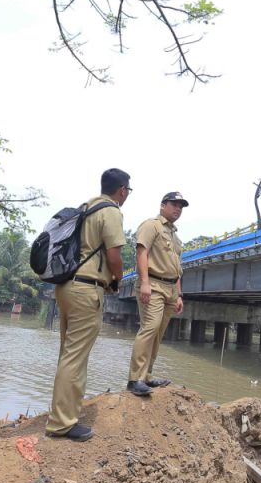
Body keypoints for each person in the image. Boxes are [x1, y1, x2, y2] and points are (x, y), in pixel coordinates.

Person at [45, 168, 131, 441]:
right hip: (87, 289)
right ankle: (62, 423)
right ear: (122, 190)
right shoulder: (112, 211)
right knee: (76, 356)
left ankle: (61, 412)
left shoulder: (85, 207)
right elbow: (114, 254)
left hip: (67, 286)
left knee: (68, 353)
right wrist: (117, 279)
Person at [126, 192, 188, 394]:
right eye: (174, 205)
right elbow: (141, 251)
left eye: (181, 206)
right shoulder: (151, 225)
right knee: (149, 328)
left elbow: (176, 267)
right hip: (153, 284)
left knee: (158, 334)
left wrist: (179, 295)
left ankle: (147, 376)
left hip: (170, 289)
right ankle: (135, 379)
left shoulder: (175, 236)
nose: (177, 209)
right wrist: (144, 282)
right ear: (163, 205)